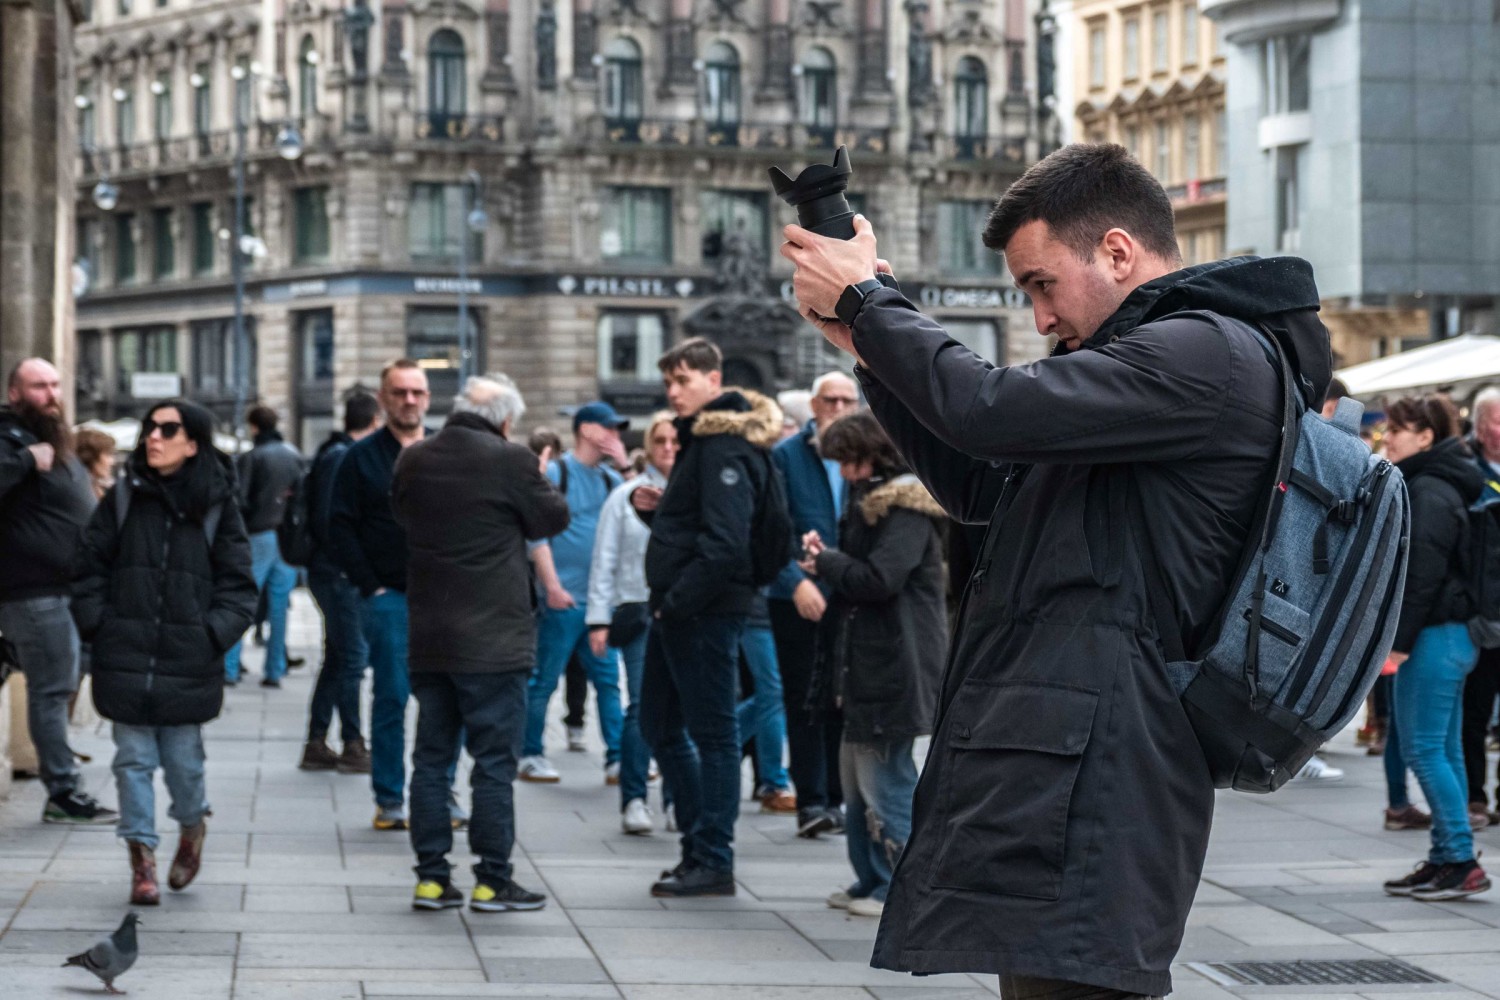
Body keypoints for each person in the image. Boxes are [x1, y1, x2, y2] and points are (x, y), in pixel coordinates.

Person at [782, 142, 1323, 997]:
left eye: (1041, 284)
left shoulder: (1204, 353)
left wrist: (871, 301)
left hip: (1104, 766)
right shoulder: (1144, 363)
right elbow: (978, 477)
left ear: (1116, 250)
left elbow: (991, 409)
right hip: (1064, 753)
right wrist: (866, 339)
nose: (1038, 319)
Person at [393, 375, 569, 913]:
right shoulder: (510, 459)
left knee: (430, 760)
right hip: (493, 640)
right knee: (493, 763)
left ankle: (430, 878)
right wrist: (534, 479)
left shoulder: (414, 459)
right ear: (506, 420)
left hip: (430, 633)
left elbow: (401, 518)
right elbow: (553, 517)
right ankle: (492, 881)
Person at [71, 400, 256, 905]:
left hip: (187, 661)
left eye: (167, 429)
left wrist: (209, 636)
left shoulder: (218, 506)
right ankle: (142, 860)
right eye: (151, 427)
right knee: (131, 760)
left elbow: (240, 590)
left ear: (192, 443)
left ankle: (192, 826)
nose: (153, 436)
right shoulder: (123, 499)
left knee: (183, 766)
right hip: (125, 655)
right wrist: (99, 627)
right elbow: (90, 570)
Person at [642, 336, 783, 897]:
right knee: (658, 724)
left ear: (713, 379)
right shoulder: (702, 440)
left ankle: (712, 856)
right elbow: (705, 527)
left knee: (715, 735)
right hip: (681, 610)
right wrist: (661, 514)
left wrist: (676, 599)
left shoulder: (723, 444)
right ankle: (699, 845)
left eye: (682, 381)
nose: (673, 392)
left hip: (702, 611)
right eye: (669, 383)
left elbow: (725, 544)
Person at [800, 412, 946, 920]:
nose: (843, 473)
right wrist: (831, 559)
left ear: (871, 456)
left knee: (886, 784)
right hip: (869, 667)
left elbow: (879, 579)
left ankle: (900, 890)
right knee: (859, 788)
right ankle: (870, 880)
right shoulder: (871, 502)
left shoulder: (903, 508)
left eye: (848, 461)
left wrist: (827, 563)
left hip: (894, 667)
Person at [329, 359, 452, 831]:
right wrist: (369, 583)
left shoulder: (445, 452)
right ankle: (390, 796)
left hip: (445, 597)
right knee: (392, 696)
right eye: (399, 392)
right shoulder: (359, 459)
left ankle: (441, 793)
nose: (409, 400)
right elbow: (338, 525)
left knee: (446, 700)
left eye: (417, 392)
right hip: (389, 596)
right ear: (382, 399)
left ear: (428, 397)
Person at [1379, 395, 1492, 900]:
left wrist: (1397, 646)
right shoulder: (1440, 483)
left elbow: (1420, 578)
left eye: (1396, 431)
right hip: (1449, 635)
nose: (1386, 439)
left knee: (1424, 751)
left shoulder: (1429, 490)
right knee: (1442, 749)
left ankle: (1462, 860)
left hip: (1434, 636)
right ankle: (1447, 855)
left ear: (1425, 437)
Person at [0, 359, 117, 824]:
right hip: (33, 592)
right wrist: (26, 460)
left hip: (67, 591)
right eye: (37, 386)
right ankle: (64, 793)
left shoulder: (52, 438)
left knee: (71, 675)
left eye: (54, 385)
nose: (50, 394)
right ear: (14, 394)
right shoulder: (11, 438)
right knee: (52, 691)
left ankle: (8, 651)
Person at [518, 402, 628, 784]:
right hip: (563, 599)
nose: (615, 435)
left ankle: (617, 758)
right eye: (609, 428)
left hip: (600, 605)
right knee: (544, 679)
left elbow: (636, 515)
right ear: (586, 430)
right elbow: (537, 534)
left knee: (608, 683)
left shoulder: (613, 480)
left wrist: (626, 465)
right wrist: (552, 587)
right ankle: (530, 753)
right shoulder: (556, 472)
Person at [770, 372, 860, 836]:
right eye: (831, 400)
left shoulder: (863, 453)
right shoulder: (785, 456)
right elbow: (770, 529)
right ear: (813, 404)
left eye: (848, 400)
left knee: (841, 700)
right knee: (804, 699)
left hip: (847, 591)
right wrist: (792, 580)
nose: (840, 409)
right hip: (798, 597)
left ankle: (838, 799)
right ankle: (812, 801)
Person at [587, 411, 678, 834]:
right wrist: (598, 619)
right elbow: (603, 559)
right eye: (660, 441)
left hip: (683, 612)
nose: (668, 449)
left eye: (675, 441)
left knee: (684, 710)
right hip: (638, 611)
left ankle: (679, 797)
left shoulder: (694, 495)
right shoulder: (626, 496)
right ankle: (635, 797)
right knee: (641, 704)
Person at [299, 391, 381, 773]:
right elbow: (332, 520)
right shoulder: (344, 457)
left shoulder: (335, 452)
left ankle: (316, 743)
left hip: (332, 570)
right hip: (338, 572)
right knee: (353, 658)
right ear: (375, 421)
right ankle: (352, 744)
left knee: (338, 656)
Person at [223, 405, 303, 689]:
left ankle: (230, 668)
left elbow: (239, 500)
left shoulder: (252, 457)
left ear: (254, 426)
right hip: (289, 539)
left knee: (243, 602)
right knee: (280, 609)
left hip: (258, 535)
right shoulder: (294, 455)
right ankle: (274, 670)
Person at [527, 427, 590, 753]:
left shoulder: (567, 476)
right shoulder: (549, 477)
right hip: (552, 592)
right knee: (546, 672)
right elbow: (535, 534)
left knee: (579, 670)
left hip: (581, 595)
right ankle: (531, 747)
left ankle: (575, 722)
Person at [1463, 386, 1500, 827]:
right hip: (1481, 615)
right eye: (1496, 420)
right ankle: (1476, 797)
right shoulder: (1467, 472)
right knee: (1474, 713)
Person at [74, 427, 118, 501]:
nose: (112, 462)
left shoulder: (95, 488)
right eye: (108, 454)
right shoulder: (81, 491)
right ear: (91, 456)